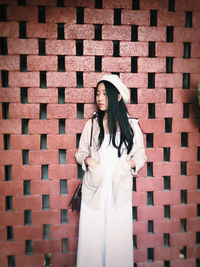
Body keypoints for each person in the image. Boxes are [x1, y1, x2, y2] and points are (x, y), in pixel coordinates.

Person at [75, 74, 147, 267]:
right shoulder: (91, 125)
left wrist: (127, 165)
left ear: (117, 97)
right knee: (92, 243)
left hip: (118, 192)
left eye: (104, 94)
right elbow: (80, 152)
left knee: (117, 242)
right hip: (95, 191)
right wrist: (88, 160)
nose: (99, 98)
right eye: (97, 94)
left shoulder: (131, 126)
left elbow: (140, 156)